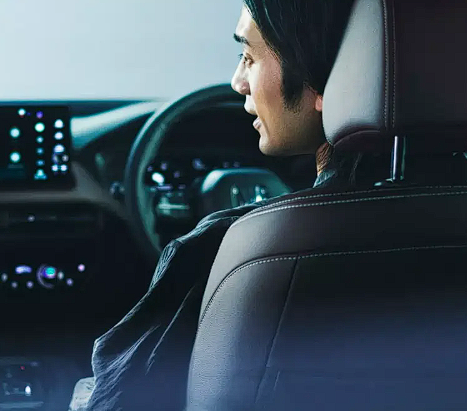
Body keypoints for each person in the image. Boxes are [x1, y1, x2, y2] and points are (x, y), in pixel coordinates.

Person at [67, 1, 360, 410]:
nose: (238, 81)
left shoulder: (226, 251)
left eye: (249, 57)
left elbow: (119, 399)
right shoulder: (445, 223)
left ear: (324, 80)